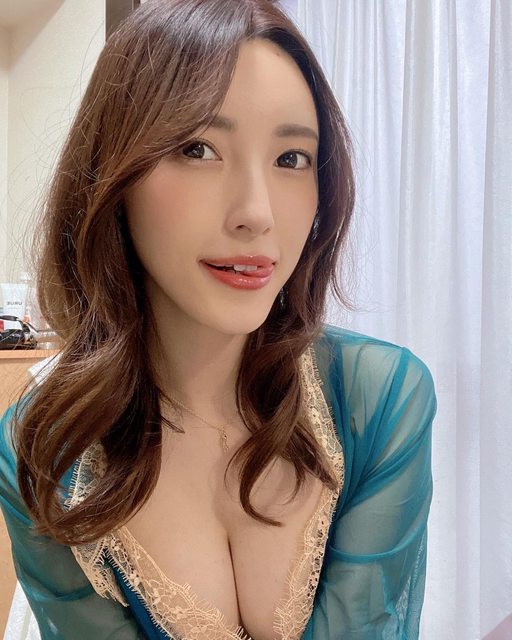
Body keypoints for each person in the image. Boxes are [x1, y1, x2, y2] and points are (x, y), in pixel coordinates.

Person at [0, 0, 438, 638]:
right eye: (198, 148)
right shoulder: (43, 449)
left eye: (292, 158)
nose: (257, 214)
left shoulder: (379, 399)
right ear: (112, 176)